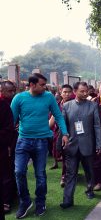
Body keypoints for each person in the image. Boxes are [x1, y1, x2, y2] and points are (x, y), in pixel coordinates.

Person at [10, 73, 69, 218]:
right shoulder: (19, 98)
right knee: (19, 172)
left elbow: (59, 115)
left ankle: (40, 202)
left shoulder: (48, 97)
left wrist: (65, 133)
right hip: (23, 141)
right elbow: (11, 120)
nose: (45, 87)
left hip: (42, 141)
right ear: (32, 85)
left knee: (40, 174)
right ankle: (25, 201)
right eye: (42, 85)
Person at [59, 82, 101, 209]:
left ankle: (89, 190)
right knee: (70, 174)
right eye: (82, 91)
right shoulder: (66, 106)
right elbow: (63, 126)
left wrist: (99, 144)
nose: (85, 93)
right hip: (71, 146)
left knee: (89, 171)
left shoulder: (93, 106)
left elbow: (97, 126)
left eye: (86, 91)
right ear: (75, 91)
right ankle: (67, 200)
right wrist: (62, 140)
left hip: (88, 145)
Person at [49, 84, 74, 187]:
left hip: (71, 133)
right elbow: (51, 121)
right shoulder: (57, 105)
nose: (67, 94)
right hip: (58, 133)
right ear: (60, 92)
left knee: (68, 156)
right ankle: (65, 175)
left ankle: (66, 175)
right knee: (62, 155)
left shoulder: (74, 104)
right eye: (64, 92)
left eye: (69, 92)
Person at [0, 81, 17, 214]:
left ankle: (7, 200)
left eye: (13, 91)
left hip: (5, 145)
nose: (13, 93)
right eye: (10, 91)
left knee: (6, 173)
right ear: (2, 91)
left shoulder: (4, 106)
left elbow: (8, 129)